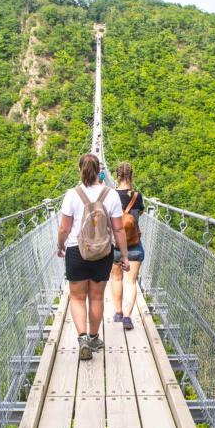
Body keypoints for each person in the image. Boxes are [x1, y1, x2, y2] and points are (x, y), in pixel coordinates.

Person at [57, 153, 130, 361]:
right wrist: (124, 256)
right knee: (96, 297)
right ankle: (94, 337)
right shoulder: (112, 195)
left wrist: (60, 246)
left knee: (77, 297)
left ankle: (82, 340)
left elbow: (64, 227)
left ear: (80, 170)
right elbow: (118, 230)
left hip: (76, 251)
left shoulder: (72, 194)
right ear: (100, 171)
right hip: (103, 253)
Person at [109, 162, 145, 331]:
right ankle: (127, 317)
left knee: (116, 278)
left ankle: (117, 312)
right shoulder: (138, 196)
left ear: (117, 175)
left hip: (115, 245)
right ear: (131, 175)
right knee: (131, 281)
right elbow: (140, 214)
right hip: (134, 245)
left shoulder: (110, 195)